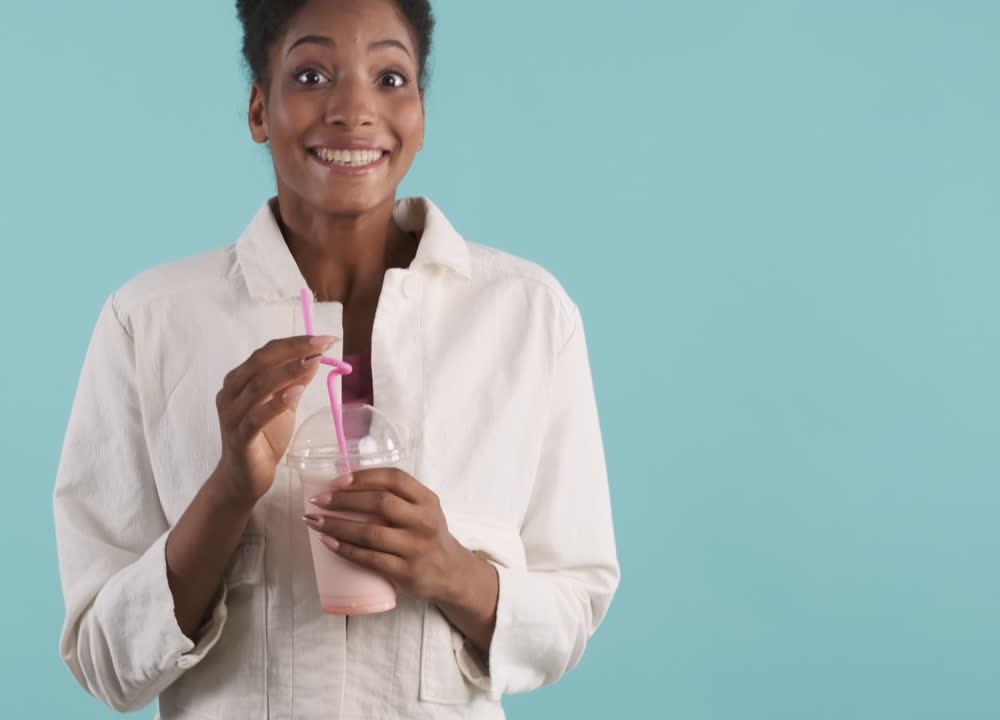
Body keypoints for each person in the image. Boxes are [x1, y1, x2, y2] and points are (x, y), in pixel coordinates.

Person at [52, 0, 621, 716]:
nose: (354, 109)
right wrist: (229, 491)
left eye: (390, 78)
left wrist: (453, 571)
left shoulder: (529, 317)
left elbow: (573, 607)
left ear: (421, 113)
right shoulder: (149, 322)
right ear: (260, 110)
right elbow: (107, 662)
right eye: (313, 74)